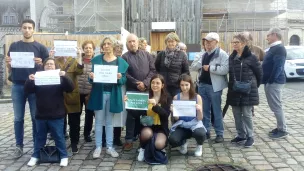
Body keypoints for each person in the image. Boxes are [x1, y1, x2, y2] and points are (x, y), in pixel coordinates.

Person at [5, 19, 49, 158]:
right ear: (21, 29)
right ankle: (19, 146)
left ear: (34, 30)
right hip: (17, 85)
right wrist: (8, 64)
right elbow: (10, 68)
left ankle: (38, 145)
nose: (27, 30)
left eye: (30, 28)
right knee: (18, 118)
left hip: (35, 86)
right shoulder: (14, 46)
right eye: (24, 27)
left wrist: (41, 63)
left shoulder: (41, 48)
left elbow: (47, 69)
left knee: (36, 117)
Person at [25, 58, 74, 167]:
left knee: (58, 136)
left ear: (55, 66)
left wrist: (65, 76)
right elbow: (28, 90)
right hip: (41, 114)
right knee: (40, 137)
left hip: (57, 114)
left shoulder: (60, 78)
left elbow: (70, 88)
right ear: (44, 66)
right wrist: (29, 80)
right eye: (47, 64)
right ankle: (36, 156)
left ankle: (63, 156)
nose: (49, 66)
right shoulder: (38, 77)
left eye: (51, 64)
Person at [87, 36, 129, 158]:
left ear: (113, 46)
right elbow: (91, 78)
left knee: (110, 122)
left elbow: (124, 79)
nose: (106, 46)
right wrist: (91, 76)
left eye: (109, 44)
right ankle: (98, 146)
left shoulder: (120, 62)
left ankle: (110, 146)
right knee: (99, 121)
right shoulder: (97, 60)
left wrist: (120, 78)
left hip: (113, 94)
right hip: (99, 94)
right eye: (104, 44)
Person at [191, 32, 228, 143]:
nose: (207, 43)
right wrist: (200, 64)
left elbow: (225, 69)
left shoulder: (222, 54)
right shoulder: (203, 54)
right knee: (204, 110)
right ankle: (206, 131)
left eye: (210, 41)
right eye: (206, 41)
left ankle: (219, 133)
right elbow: (194, 67)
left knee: (216, 111)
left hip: (214, 87)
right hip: (202, 85)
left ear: (216, 42)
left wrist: (210, 68)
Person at [226, 34, 262, 148]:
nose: (234, 44)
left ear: (244, 43)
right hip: (235, 89)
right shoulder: (231, 57)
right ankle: (241, 135)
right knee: (236, 113)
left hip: (248, 90)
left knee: (246, 114)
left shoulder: (252, 57)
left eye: (237, 42)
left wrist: (254, 85)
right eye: (233, 42)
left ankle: (250, 136)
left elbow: (259, 73)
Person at [122, 34, 156, 151]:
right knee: (131, 116)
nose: (132, 43)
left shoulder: (147, 55)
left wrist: (145, 83)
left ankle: (147, 137)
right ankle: (129, 140)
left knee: (146, 114)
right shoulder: (124, 57)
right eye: (130, 41)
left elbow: (153, 70)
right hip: (132, 90)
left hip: (146, 89)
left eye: (134, 41)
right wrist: (137, 83)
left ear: (138, 42)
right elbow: (125, 73)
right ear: (127, 44)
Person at [50, 45, 84, 154]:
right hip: (57, 95)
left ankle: (74, 142)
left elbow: (79, 71)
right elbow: (48, 71)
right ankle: (60, 142)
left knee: (74, 121)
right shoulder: (55, 61)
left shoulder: (73, 61)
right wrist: (50, 57)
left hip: (72, 95)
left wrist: (79, 57)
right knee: (59, 121)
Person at [133, 74, 172, 162]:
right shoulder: (145, 96)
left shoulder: (167, 98)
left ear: (162, 85)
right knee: (146, 133)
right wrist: (128, 104)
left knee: (158, 144)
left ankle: (157, 147)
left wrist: (155, 105)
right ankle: (142, 148)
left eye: (157, 83)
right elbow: (136, 114)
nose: (155, 85)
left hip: (161, 128)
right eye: (153, 83)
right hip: (148, 125)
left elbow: (165, 115)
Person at [168, 74, 206, 157]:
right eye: (182, 85)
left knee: (200, 133)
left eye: (186, 85)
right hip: (182, 124)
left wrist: (199, 110)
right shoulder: (176, 97)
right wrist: (174, 112)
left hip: (195, 124)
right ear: (179, 85)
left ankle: (199, 146)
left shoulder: (197, 97)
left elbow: (200, 118)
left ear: (190, 85)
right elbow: (176, 119)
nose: (184, 87)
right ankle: (183, 142)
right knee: (173, 140)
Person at [262, 28, 288, 139]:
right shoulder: (273, 48)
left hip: (275, 82)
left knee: (276, 106)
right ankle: (280, 127)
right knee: (275, 106)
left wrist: (270, 81)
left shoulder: (279, 49)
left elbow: (278, 67)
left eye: (268, 35)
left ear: (274, 35)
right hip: (271, 82)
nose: (266, 37)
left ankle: (282, 130)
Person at [102, 40, 126, 146]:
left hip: (119, 89)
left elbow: (125, 76)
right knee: (104, 114)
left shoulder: (122, 61)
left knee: (118, 114)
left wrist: (120, 78)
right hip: (106, 89)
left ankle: (116, 137)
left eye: (120, 49)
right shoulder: (104, 59)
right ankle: (103, 137)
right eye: (116, 49)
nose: (118, 51)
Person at [155, 32, 190, 98]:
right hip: (163, 86)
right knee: (164, 105)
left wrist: (179, 79)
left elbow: (186, 71)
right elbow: (156, 69)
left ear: (176, 42)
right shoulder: (161, 54)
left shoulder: (182, 55)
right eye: (169, 41)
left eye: (172, 41)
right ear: (166, 42)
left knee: (176, 105)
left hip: (176, 87)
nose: (170, 43)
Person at [77, 40, 95, 142]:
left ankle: (87, 133)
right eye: (86, 48)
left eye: (90, 48)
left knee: (89, 115)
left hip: (90, 92)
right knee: (77, 114)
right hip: (78, 92)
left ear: (93, 50)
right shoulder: (79, 60)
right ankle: (76, 131)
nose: (88, 50)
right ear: (83, 49)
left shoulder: (96, 61)